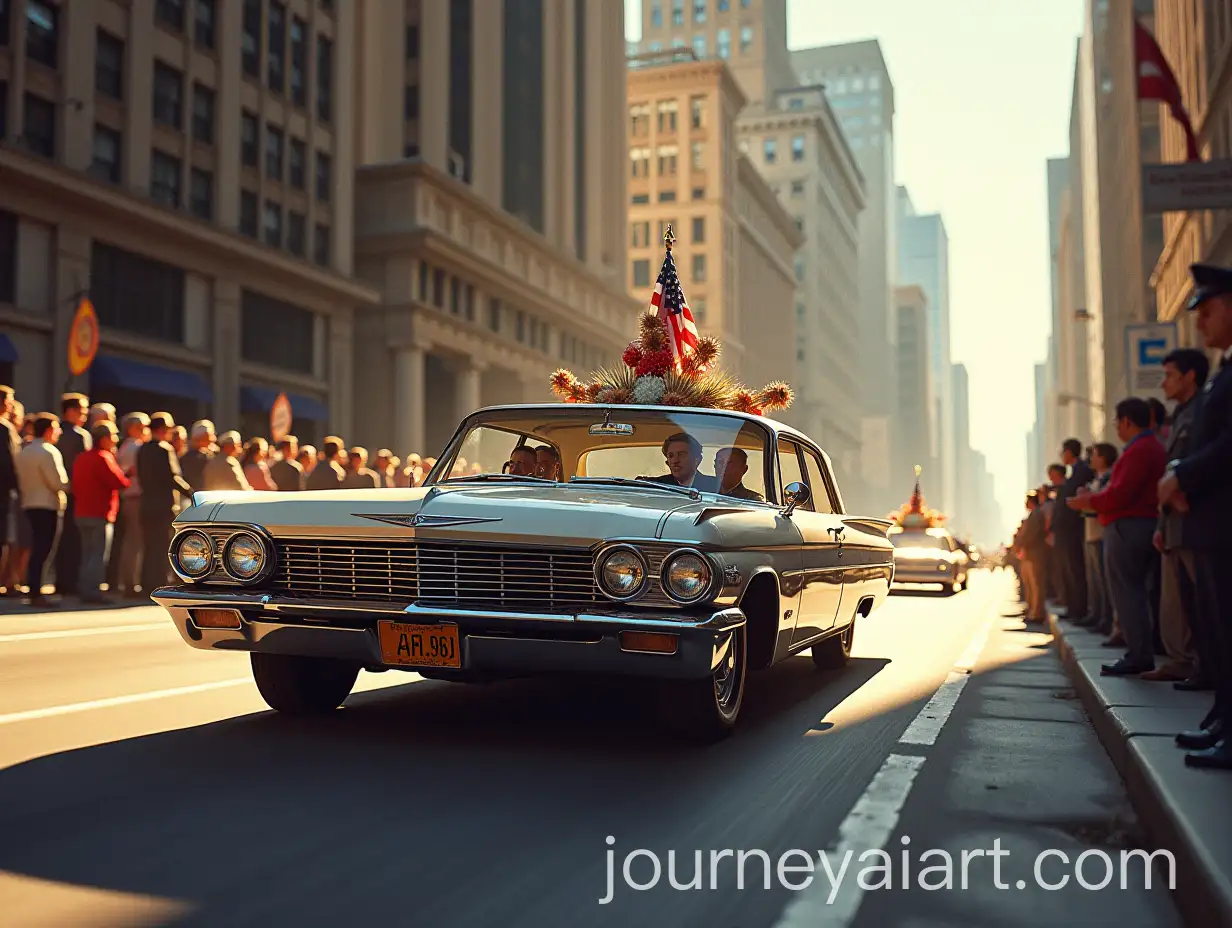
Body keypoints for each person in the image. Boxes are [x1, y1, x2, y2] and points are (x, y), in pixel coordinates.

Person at [1157, 263, 1232, 769]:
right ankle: (1224, 720)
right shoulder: (1223, 373)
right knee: (1215, 626)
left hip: (1220, 520)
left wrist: (1183, 476)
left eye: (1208, 310)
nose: (1201, 322)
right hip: (1206, 521)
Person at [1069, 397, 1167, 676]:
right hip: (1140, 524)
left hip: (1129, 527)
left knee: (1127, 592)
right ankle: (1140, 650)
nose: (1117, 427)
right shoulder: (1148, 447)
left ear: (1126, 421)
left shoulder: (1139, 450)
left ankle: (1138, 654)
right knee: (1137, 591)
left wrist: (1090, 500)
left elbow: (1119, 494)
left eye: (1117, 422)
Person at [1148, 348, 1209, 682]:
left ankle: (1205, 667)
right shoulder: (1183, 414)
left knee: (1205, 603)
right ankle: (1187, 663)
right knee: (1181, 602)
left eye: (1170, 375)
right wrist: (1162, 524)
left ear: (1189, 376)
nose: (1163, 382)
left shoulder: (1204, 410)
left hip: (1197, 520)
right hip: (1174, 523)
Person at [72, 420, 130, 604]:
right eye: (112, 437)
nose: (114, 440)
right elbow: (119, 482)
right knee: (97, 554)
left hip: (82, 511)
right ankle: (92, 591)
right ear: (104, 439)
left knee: (86, 553)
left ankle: (84, 588)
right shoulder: (103, 457)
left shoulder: (82, 457)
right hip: (100, 512)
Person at [14, 413, 69, 608]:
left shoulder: (25, 451)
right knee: (44, 549)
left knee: (35, 548)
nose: (59, 432)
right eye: (56, 428)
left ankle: (33, 588)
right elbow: (58, 483)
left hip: (29, 502)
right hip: (47, 504)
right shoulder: (49, 451)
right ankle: (37, 591)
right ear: (48, 430)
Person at [135, 413, 193, 597]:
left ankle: (145, 582)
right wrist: (192, 493)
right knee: (161, 546)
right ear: (162, 430)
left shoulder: (142, 449)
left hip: (146, 502)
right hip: (163, 504)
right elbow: (172, 477)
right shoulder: (164, 449)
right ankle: (157, 582)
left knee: (149, 545)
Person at [1077, 443, 1118, 637]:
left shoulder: (1110, 477)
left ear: (1103, 457)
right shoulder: (1095, 479)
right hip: (1091, 534)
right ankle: (1098, 616)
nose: (1090, 459)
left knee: (1105, 582)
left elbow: (1102, 502)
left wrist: (1087, 499)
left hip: (1101, 534)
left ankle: (1108, 621)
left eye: (1093, 455)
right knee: (1095, 581)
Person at [1052, 439, 1094, 621]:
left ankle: (1080, 610)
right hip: (1066, 532)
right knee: (1069, 571)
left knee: (1077, 571)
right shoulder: (1073, 473)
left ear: (1070, 452)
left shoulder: (1083, 471)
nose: (1062, 455)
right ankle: (1073, 608)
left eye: (1063, 451)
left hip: (1074, 530)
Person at [54, 392, 91, 597]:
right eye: (82, 410)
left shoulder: (55, 432)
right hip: (77, 493)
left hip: (57, 492)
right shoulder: (80, 436)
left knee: (61, 539)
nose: (84, 415)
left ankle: (62, 581)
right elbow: (84, 468)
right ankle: (71, 583)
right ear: (70, 411)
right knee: (74, 540)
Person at [646, 432, 718, 491]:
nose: (675, 460)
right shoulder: (657, 485)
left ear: (697, 460)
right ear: (667, 463)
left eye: (681, 455)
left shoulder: (716, 486)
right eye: (671, 456)